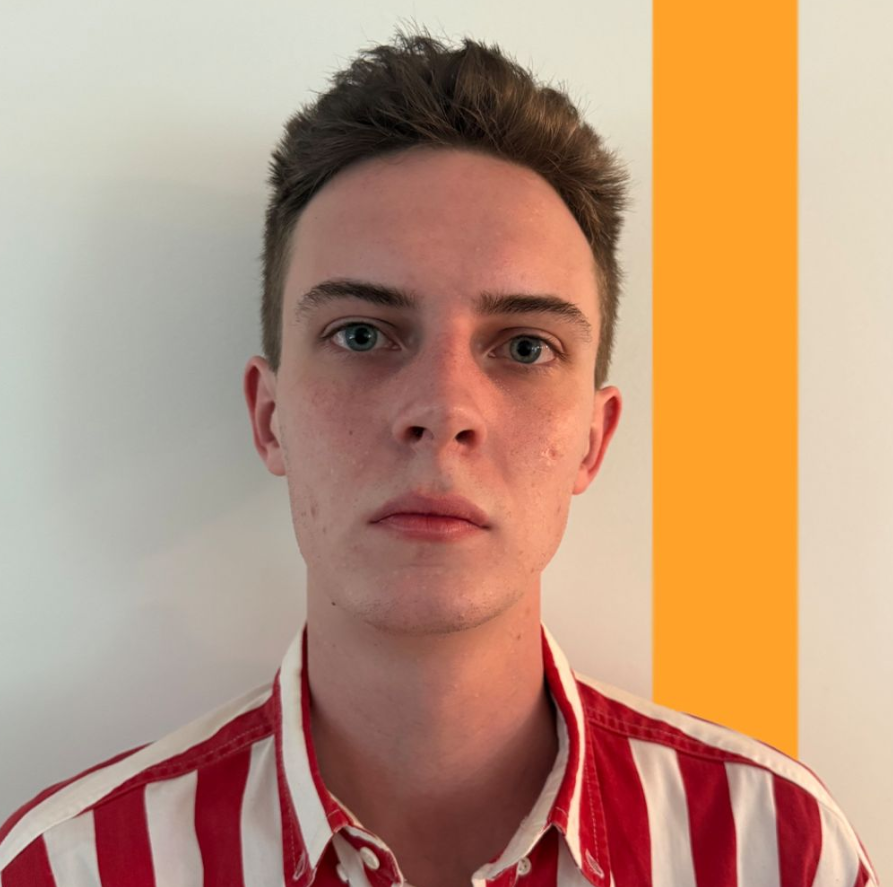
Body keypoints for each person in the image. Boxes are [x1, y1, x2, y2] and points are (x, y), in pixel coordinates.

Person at [0, 26, 879, 887]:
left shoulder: (773, 851)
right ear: (269, 418)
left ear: (592, 438)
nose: (443, 410)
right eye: (361, 333)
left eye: (525, 347)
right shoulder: (70, 868)